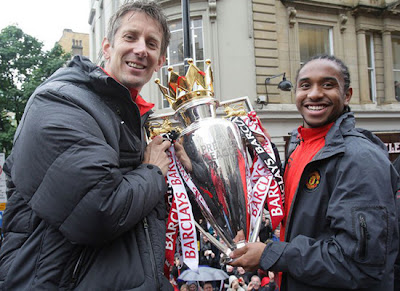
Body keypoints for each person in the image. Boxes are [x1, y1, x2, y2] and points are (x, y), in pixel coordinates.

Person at [0, 2, 173, 290]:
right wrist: (153, 171)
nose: (141, 49)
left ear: (160, 61)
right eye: (130, 37)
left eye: (151, 43)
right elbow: (98, 210)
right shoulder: (62, 101)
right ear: (106, 47)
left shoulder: (133, 119)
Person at [230, 54, 399, 290]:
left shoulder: (361, 159)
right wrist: (264, 157)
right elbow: (298, 208)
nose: (315, 93)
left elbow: (359, 264)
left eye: (328, 85)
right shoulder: (298, 146)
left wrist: (270, 254)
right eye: (305, 85)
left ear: (347, 94)